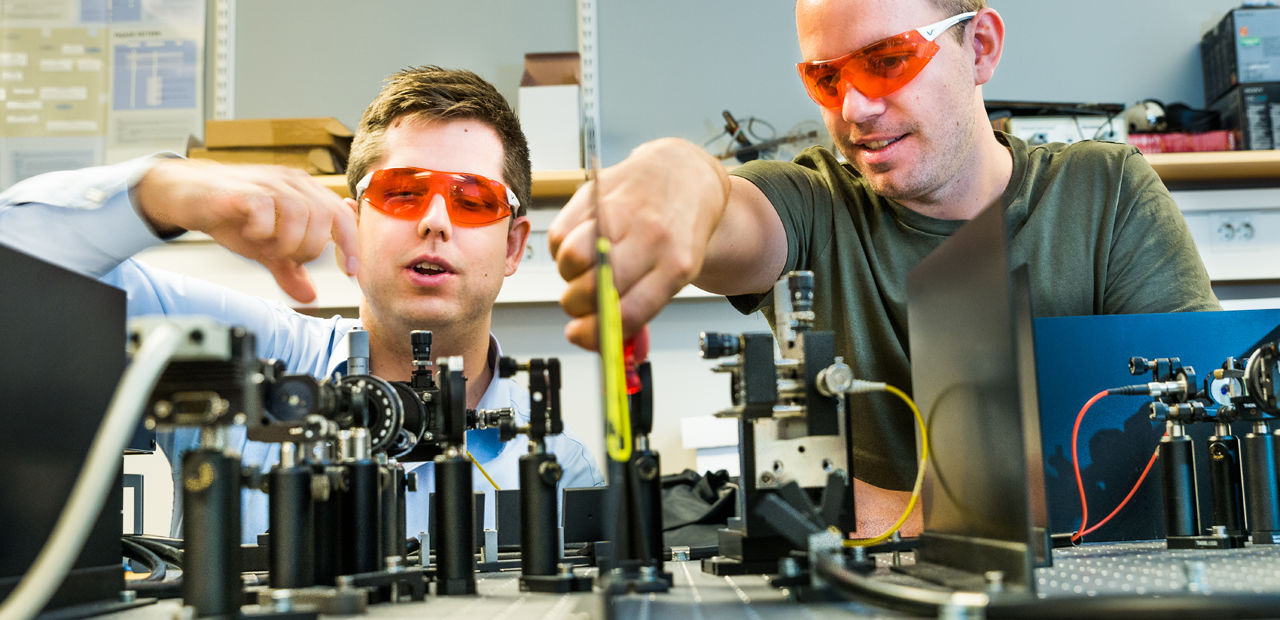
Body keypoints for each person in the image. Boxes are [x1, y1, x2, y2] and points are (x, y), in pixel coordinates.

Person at [548, 0, 1219, 536]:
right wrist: (677, 172)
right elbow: (727, 211)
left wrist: (893, 515)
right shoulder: (816, 206)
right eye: (825, 76)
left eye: (888, 60)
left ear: (979, 46)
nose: (854, 108)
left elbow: (1197, 450)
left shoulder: (1104, 195)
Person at [0, 66, 603, 542]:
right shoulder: (247, 362)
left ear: (514, 247)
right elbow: (17, 271)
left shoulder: (560, 469)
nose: (436, 222)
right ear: (357, 218)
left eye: (473, 199)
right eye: (403, 193)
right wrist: (164, 189)